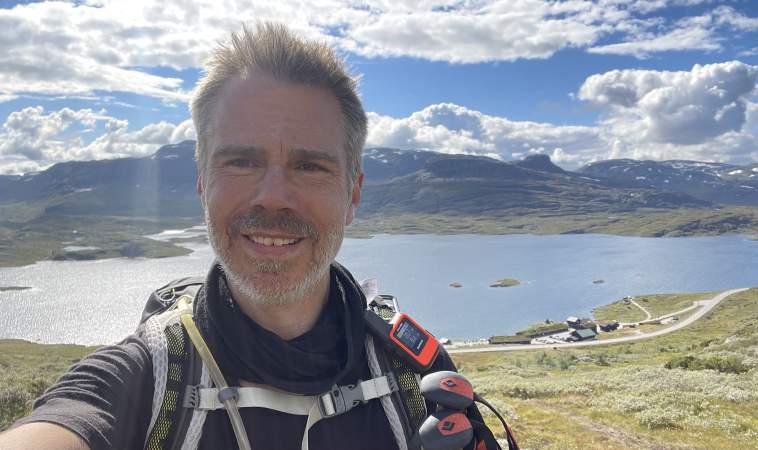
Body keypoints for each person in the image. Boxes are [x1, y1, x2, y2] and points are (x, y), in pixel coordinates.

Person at [0, 22, 499, 450]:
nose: (273, 196)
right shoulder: (145, 377)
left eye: (310, 166)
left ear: (353, 194)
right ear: (202, 182)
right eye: (241, 161)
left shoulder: (416, 373)